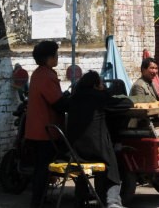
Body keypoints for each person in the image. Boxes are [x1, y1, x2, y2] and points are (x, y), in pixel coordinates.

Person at [56, 70, 133, 208]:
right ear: (96, 85)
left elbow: (61, 105)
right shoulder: (99, 97)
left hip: (74, 152)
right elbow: (127, 103)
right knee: (112, 162)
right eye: (101, 83)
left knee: (84, 167)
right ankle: (113, 201)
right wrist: (105, 92)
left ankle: (81, 196)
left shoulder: (74, 98)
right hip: (95, 151)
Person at [25, 40, 64, 208]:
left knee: (42, 168)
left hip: (35, 130)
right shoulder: (47, 76)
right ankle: (37, 202)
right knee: (42, 169)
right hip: (44, 131)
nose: (57, 58)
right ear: (49, 58)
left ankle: (40, 199)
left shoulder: (38, 73)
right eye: (56, 55)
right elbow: (57, 102)